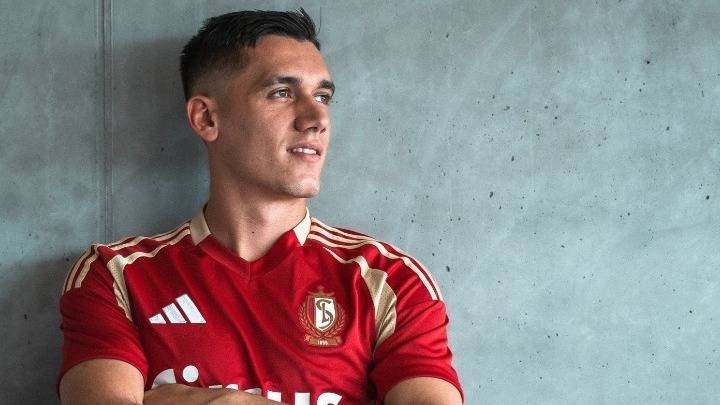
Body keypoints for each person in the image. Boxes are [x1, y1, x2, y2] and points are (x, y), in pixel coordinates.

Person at [58, 9, 463, 405]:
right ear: (206, 118)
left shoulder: (390, 279)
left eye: (323, 96)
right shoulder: (115, 274)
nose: (317, 118)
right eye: (281, 93)